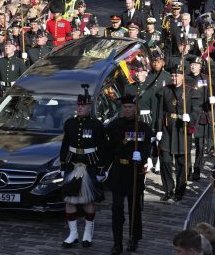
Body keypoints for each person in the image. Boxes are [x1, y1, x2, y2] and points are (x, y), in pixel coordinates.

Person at [59, 85, 107, 248]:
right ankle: (73, 233)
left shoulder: (96, 125)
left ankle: (88, 232)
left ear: (89, 107)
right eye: (78, 105)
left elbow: (103, 147)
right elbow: (65, 145)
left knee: (88, 201)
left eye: (83, 105)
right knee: (70, 201)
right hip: (72, 164)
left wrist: (101, 169)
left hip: (90, 165)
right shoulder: (70, 123)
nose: (80, 108)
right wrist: (62, 164)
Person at [107, 94, 152, 254]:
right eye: (125, 107)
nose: (127, 110)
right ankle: (117, 242)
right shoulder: (114, 126)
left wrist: (142, 156)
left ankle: (133, 238)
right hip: (119, 171)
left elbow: (147, 144)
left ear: (135, 108)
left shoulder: (143, 127)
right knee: (117, 208)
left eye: (130, 107)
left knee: (135, 209)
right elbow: (108, 147)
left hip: (134, 172)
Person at [156, 64, 197, 201]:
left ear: (182, 76)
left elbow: (196, 110)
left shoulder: (190, 91)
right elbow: (161, 111)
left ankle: (180, 190)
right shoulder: (165, 90)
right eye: (172, 75)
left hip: (182, 129)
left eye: (176, 75)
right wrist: (159, 130)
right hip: (168, 129)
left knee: (181, 163)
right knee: (165, 160)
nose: (174, 77)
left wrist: (190, 118)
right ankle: (168, 188)